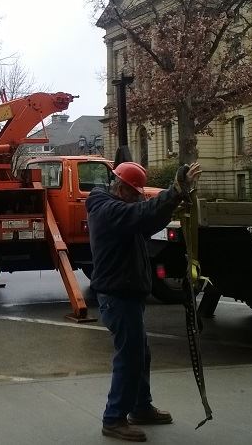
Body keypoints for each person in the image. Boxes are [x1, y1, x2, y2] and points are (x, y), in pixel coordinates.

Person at [86, 161, 202, 442]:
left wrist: (176, 198)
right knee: (130, 356)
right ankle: (114, 418)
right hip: (117, 295)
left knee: (140, 354)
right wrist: (174, 190)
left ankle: (140, 407)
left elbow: (147, 220)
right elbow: (139, 214)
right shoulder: (106, 209)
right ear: (122, 188)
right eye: (136, 192)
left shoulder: (120, 211)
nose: (140, 197)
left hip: (126, 293)